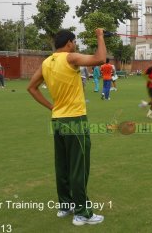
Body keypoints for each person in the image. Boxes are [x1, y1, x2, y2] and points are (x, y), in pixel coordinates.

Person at [27, 28, 106, 226]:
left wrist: (52, 107)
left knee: (62, 165)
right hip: (75, 120)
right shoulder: (70, 58)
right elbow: (100, 59)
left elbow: (31, 87)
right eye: (74, 42)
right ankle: (82, 213)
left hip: (58, 120)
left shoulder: (47, 62)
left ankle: (65, 205)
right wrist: (100, 36)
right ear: (69, 43)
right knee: (79, 166)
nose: (75, 44)